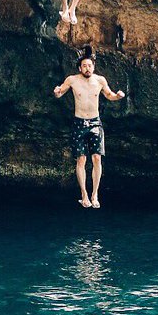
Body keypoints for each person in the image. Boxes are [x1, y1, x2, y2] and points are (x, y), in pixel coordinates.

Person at [53, 53, 125, 209]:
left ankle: (95, 194)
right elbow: (60, 93)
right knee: (81, 160)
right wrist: (57, 92)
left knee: (97, 158)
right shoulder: (72, 80)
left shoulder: (100, 80)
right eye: (84, 66)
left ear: (93, 67)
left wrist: (118, 96)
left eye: (90, 65)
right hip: (79, 123)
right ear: (80, 68)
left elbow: (109, 95)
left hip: (95, 123)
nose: (87, 68)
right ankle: (84, 194)